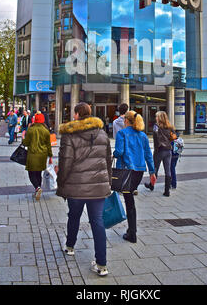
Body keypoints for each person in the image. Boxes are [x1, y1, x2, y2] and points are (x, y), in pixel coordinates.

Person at [56, 102, 112, 277]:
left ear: (78, 115)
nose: (73, 117)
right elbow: (108, 161)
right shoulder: (102, 134)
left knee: (74, 216)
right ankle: (102, 264)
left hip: (76, 186)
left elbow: (65, 163)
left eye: (74, 114)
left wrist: (61, 183)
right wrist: (107, 182)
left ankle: (70, 246)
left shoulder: (69, 135)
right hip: (98, 187)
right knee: (98, 222)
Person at [114, 110, 155, 243]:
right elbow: (148, 154)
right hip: (139, 171)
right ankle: (132, 231)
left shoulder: (122, 133)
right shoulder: (142, 135)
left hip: (126, 171)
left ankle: (132, 233)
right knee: (130, 197)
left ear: (126, 120)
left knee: (129, 200)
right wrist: (152, 172)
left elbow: (119, 152)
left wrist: (114, 153)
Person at [144, 111, 176, 197]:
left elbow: (155, 140)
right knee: (168, 170)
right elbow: (173, 138)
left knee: (155, 169)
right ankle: (167, 191)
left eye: (157, 116)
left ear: (160, 118)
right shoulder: (170, 127)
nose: (156, 118)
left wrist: (155, 150)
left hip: (160, 150)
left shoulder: (156, 126)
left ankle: (151, 185)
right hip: (168, 150)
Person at [22, 111, 52, 200]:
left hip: (32, 154)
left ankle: (37, 188)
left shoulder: (31, 130)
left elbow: (26, 143)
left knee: (31, 173)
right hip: (43, 155)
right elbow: (48, 145)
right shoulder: (46, 130)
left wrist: (23, 137)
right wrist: (50, 156)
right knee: (38, 173)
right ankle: (37, 189)